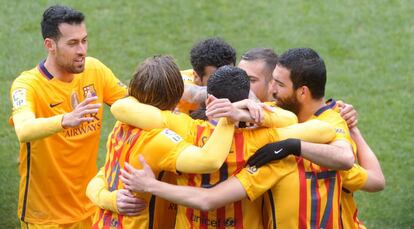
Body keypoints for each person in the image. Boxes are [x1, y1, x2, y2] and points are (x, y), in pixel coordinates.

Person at [119, 48, 374, 228]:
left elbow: (124, 108)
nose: (272, 91)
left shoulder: (182, 130)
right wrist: (262, 117)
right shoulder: (267, 143)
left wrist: (194, 94)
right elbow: (322, 130)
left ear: (210, 100)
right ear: (249, 97)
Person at [9, 5, 128, 228]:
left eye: (84, 40)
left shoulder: (95, 70)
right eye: (73, 43)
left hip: (90, 207)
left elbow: (131, 100)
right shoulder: (27, 85)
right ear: (50, 45)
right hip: (45, 217)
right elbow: (23, 130)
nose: (82, 49)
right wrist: (65, 120)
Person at [87, 55, 237, 228]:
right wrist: (228, 117)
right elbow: (209, 160)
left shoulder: (120, 124)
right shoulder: (158, 139)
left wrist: (108, 199)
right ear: (176, 98)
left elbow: (103, 174)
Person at [178, 37, 237, 115]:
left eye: (230, 75)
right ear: (196, 77)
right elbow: (195, 94)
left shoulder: (239, 80)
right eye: (216, 78)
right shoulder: (176, 81)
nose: (227, 82)